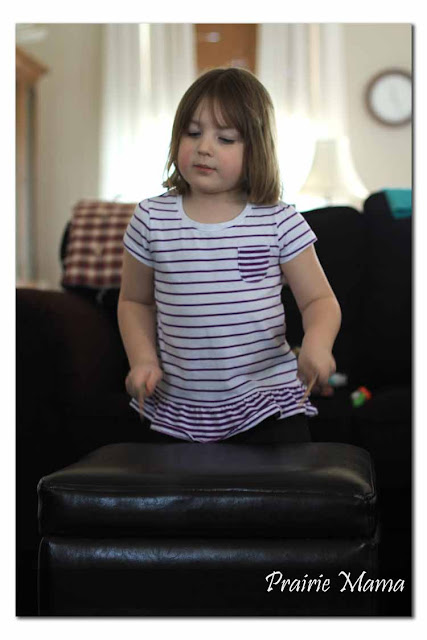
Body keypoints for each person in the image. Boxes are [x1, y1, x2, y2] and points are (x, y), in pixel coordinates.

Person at [118, 67, 341, 444]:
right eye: (193, 133)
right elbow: (134, 301)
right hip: (179, 406)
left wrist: (317, 345)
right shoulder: (151, 217)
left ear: (256, 149)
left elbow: (319, 300)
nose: (204, 147)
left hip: (268, 402)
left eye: (225, 138)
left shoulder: (279, 220)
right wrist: (142, 360)